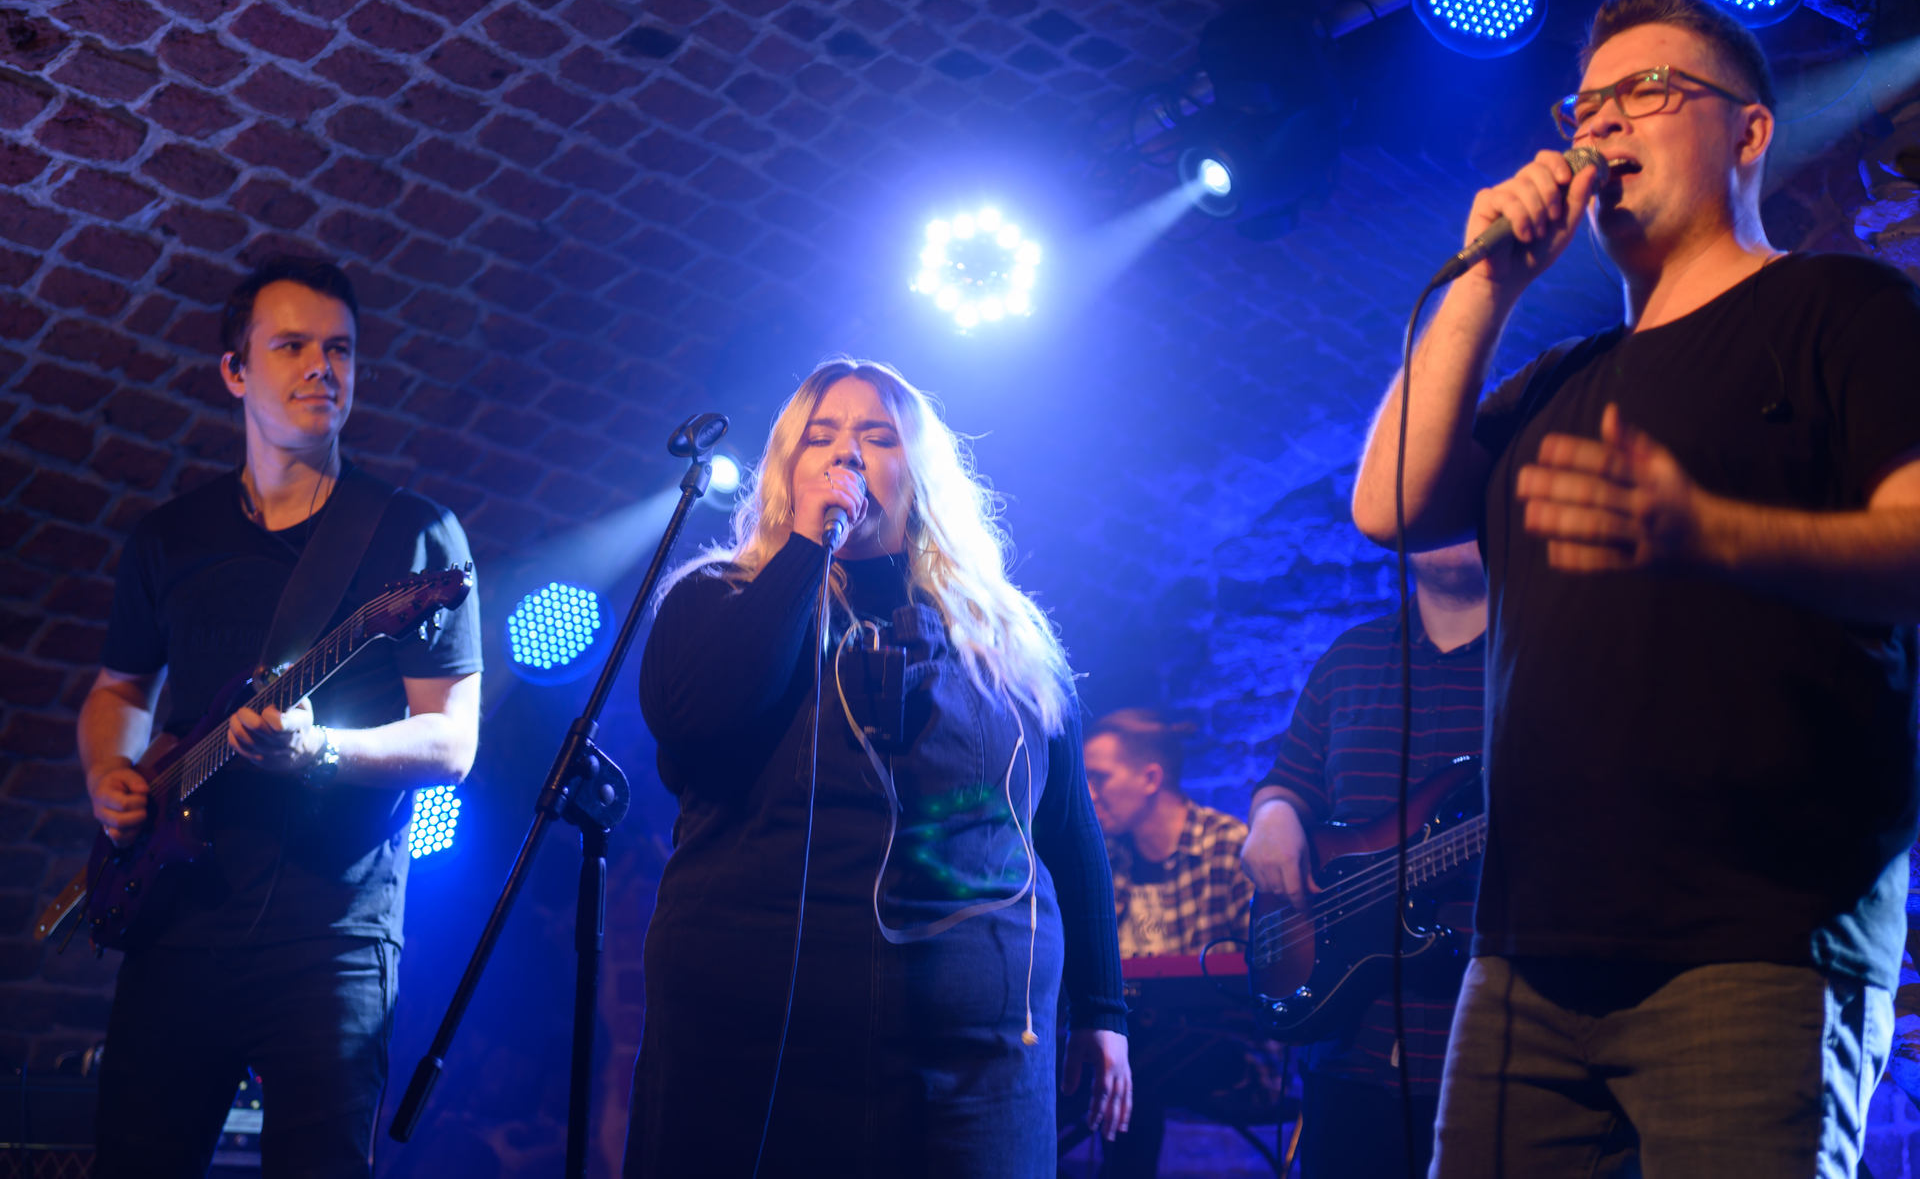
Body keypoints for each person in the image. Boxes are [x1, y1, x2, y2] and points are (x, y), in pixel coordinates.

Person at [1350, 0, 1920, 1177]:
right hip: (1526, 957)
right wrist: (1488, 284)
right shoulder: (1557, 380)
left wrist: (1711, 532)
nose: (1603, 122)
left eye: (1648, 90)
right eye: (1587, 104)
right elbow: (1389, 504)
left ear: (1749, 132)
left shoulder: (1845, 309)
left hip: (1759, 936)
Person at [624, 358, 1131, 1177]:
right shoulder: (718, 598)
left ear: (919, 473)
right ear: (786, 469)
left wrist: (1104, 1008)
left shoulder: (1007, 638)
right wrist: (805, 550)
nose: (847, 454)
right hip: (753, 1059)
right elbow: (694, 715)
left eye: (878, 436)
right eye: (820, 437)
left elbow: (1067, 829)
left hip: (973, 1076)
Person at [78, 256, 484, 1179]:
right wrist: (110, 772)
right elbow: (119, 690)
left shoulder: (414, 533)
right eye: (292, 346)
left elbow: (452, 740)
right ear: (234, 370)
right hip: (177, 918)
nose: (321, 368)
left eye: (339, 349)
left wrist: (320, 751)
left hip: (332, 931)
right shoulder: (169, 538)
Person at [1240, 541, 1486, 1179]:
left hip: (1493, 1055)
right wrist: (1272, 814)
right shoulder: (1349, 659)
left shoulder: (1544, 660)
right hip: (1351, 1054)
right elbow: (1289, 781)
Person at [1082, 708, 1259, 1178]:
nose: (1089, 793)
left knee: (1126, 1063)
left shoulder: (1229, 847)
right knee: (1112, 1054)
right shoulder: (1108, 856)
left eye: (1099, 778)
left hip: (1230, 1048)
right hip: (1137, 1037)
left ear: (1151, 778)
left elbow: (1265, 974)